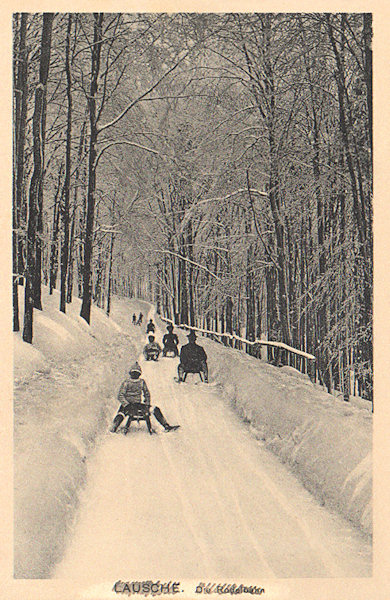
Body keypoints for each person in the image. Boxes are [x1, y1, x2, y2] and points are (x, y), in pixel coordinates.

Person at [110, 362, 179, 435]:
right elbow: (121, 395)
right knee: (121, 413)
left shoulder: (138, 382)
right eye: (134, 373)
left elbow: (146, 393)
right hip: (128, 405)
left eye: (136, 373)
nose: (135, 375)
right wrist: (127, 404)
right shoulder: (128, 382)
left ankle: (166, 426)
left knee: (155, 409)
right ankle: (113, 428)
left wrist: (147, 404)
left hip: (134, 405)